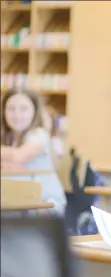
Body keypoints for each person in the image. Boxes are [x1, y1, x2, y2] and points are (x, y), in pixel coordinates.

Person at [1, 88, 67, 216]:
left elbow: (18, 157)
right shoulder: (7, 138)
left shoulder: (39, 134)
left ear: (34, 111)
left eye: (24, 109)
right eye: (11, 108)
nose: (17, 115)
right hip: (18, 201)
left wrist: (12, 160)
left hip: (45, 203)